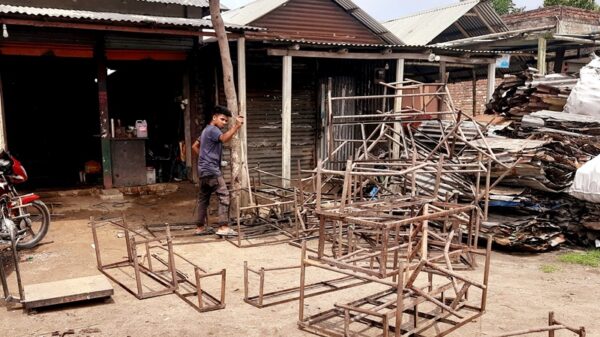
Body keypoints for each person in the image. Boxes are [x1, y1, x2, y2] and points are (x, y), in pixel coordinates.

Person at [192, 105, 244, 236]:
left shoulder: (205, 131)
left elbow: (194, 146)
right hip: (212, 170)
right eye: (222, 119)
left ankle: (200, 228)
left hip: (203, 171)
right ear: (214, 117)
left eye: (226, 121)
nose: (224, 123)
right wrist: (236, 126)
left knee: (203, 199)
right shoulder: (213, 130)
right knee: (224, 195)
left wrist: (205, 157)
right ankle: (223, 227)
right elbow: (224, 138)